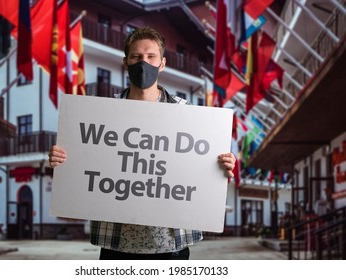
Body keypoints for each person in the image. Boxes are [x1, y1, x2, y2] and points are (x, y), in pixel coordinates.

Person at [49, 27, 236, 260]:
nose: (143, 63)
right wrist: (63, 160)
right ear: (126, 63)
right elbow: (84, 164)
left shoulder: (187, 115)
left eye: (151, 57)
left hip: (171, 246)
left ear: (163, 63)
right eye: (136, 57)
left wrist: (224, 165)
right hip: (116, 245)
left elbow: (202, 173)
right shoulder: (101, 114)